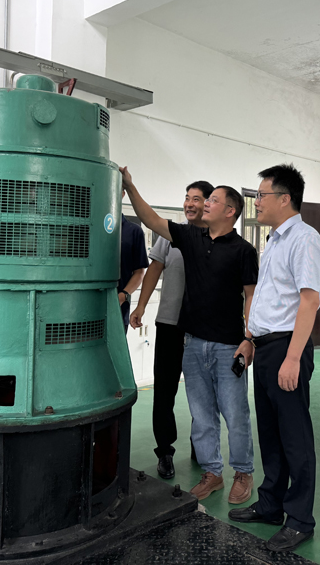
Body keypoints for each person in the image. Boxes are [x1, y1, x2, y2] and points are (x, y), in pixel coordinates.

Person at [119, 166, 258, 505]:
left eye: (211, 200)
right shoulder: (190, 238)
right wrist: (130, 187)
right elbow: (152, 220)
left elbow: (251, 296)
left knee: (235, 414)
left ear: (230, 211)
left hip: (228, 346)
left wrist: (249, 337)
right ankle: (212, 473)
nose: (203, 204)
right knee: (202, 414)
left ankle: (243, 472)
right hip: (193, 343)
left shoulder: (243, 251)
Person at [228, 165, 320, 552]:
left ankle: (300, 520)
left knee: (295, 438)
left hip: (288, 348)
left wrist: (293, 357)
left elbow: (309, 301)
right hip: (267, 346)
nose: (256, 202)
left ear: (284, 199)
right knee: (270, 433)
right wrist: (250, 338)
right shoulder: (274, 241)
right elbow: (269, 299)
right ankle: (271, 504)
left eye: (261, 195)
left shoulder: (304, 239)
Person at [129, 180, 215, 480]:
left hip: (203, 328)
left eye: (197, 199)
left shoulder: (217, 237)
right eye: (187, 198)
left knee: (202, 391)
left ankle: (200, 445)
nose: (189, 204)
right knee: (165, 391)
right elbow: (154, 269)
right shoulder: (171, 235)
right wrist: (140, 306)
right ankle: (164, 451)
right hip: (169, 324)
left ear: (209, 203)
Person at [118, 191, 149, 333]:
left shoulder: (133, 231)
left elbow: (139, 272)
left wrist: (123, 295)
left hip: (118, 308)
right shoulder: (86, 228)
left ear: (122, 193)